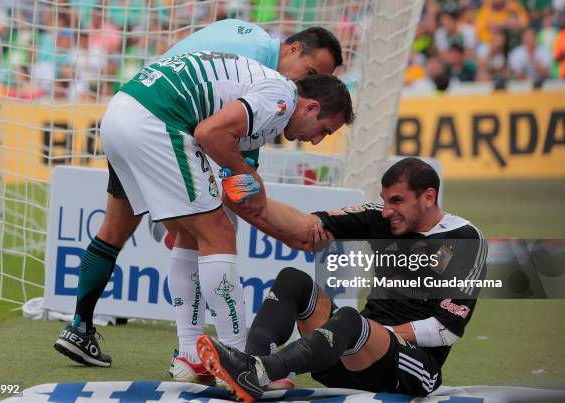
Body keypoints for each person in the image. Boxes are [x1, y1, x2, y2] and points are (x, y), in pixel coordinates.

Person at [52, 18, 343, 378]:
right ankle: (239, 361)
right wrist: (254, 183)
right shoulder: (280, 90)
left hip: (126, 109)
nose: (316, 141)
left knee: (176, 232)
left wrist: (247, 181)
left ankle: (174, 348)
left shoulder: (251, 43)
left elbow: (231, 160)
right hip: (160, 121)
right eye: (323, 131)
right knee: (218, 232)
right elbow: (212, 135)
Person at [196, 157, 486, 402]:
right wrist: (248, 200)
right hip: (354, 351)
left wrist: (375, 331)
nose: (387, 211)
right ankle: (254, 373)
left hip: (414, 369)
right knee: (293, 281)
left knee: (349, 320)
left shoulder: (464, 239)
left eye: (397, 201)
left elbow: (444, 331)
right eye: (385, 200)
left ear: (429, 197)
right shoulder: (380, 218)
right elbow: (306, 228)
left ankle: (262, 370)